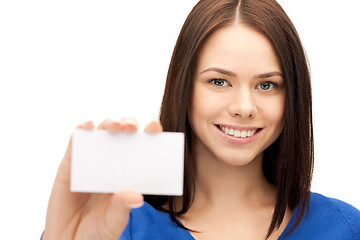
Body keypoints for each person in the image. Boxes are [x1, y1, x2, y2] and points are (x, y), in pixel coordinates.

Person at [42, 0, 360, 239]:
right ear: (183, 86)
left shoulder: (344, 227)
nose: (244, 107)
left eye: (267, 85)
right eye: (219, 81)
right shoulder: (119, 225)